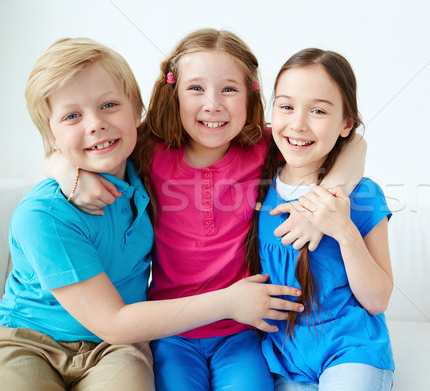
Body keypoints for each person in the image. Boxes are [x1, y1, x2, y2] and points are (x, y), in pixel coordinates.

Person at [45, 29, 366, 391]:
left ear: (251, 95)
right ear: (174, 93)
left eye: (229, 89)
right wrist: (66, 172)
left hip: (242, 331)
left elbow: (354, 142)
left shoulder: (263, 146)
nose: (212, 104)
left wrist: (324, 198)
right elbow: (63, 146)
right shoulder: (148, 148)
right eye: (196, 88)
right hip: (171, 332)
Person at [0, 37, 305, 391]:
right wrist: (61, 168)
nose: (97, 124)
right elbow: (112, 321)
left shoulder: (139, 159)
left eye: (110, 105)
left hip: (127, 345)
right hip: (36, 339)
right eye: (72, 115)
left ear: (136, 111)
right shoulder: (51, 209)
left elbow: (340, 139)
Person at [245, 48, 395, 390]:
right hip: (280, 357)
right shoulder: (256, 186)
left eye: (317, 111)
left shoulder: (363, 194)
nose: (298, 124)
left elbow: (378, 299)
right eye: (286, 106)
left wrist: (343, 230)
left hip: (350, 350)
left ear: (346, 123)